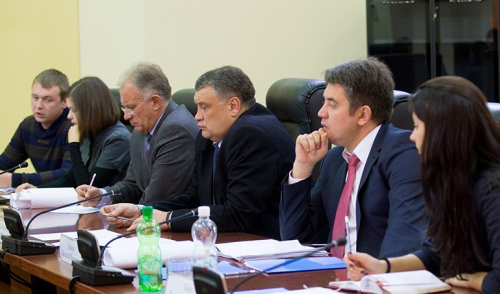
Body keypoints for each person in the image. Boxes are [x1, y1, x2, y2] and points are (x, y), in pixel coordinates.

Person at [346, 76, 500, 294]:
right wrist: (383, 266)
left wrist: (473, 280)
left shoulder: (495, 187)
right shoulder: (449, 180)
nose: (412, 136)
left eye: (417, 127)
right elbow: (434, 253)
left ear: (443, 131)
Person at [102, 65, 295, 239]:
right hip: (229, 239)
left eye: (204, 107)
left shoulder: (251, 133)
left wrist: (168, 219)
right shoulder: (210, 137)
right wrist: (144, 211)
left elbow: (238, 214)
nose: (197, 116)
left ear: (233, 106)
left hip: (263, 243)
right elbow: (194, 197)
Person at [280, 58, 425, 258]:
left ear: (363, 115)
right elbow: (295, 239)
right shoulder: (335, 160)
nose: (321, 113)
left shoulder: (404, 154)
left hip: (373, 274)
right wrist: (302, 168)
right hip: (333, 272)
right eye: (323, 102)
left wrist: (375, 275)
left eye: (332, 105)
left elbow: (405, 238)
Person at [76, 62, 198, 205]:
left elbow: (158, 197)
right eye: (124, 108)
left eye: (131, 107)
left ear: (155, 102)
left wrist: (130, 211)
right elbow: (133, 184)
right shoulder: (141, 129)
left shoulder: (177, 130)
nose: (126, 116)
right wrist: (103, 195)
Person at [16, 77, 131, 190]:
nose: (69, 116)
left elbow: (88, 187)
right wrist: (37, 190)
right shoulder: (92, 132)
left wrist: (73, 145)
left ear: (90, 110)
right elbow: (71, 178)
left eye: (74, 110)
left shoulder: (117, 139)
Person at [0, 69, 72, 187]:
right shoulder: (28, 126)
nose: (39, 106)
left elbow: (67, 175)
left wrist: (16, 180)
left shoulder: (73, 126)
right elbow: (4, 163)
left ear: (64, 102)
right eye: (35, 98)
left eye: (48, 100)